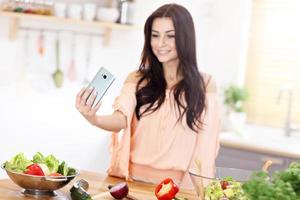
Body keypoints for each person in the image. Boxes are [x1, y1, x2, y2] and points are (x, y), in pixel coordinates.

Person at [75, 3, 221, 189]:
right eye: (155, 35)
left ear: (185, 38)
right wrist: (93, 118)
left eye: (170, 36)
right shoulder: (137, 79)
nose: (160, 44)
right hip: (132, 183)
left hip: (177, 188)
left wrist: (198, 192)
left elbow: (205, 148)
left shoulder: (205, 85)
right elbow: (121, 118)